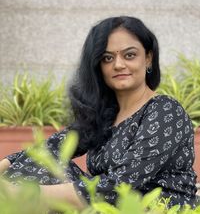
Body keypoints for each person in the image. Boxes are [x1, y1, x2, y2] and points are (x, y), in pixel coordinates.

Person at [0, 16, 197, 209]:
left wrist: (23, 192)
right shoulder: (105, 114)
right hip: (104, 207)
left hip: (152, 209)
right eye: (107, 58)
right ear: (97, 66)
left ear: (148, 58)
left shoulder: (165, 110)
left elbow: (119, 186)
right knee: (40, 162)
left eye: (129, 55)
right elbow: (48, 149)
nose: (118, 64)